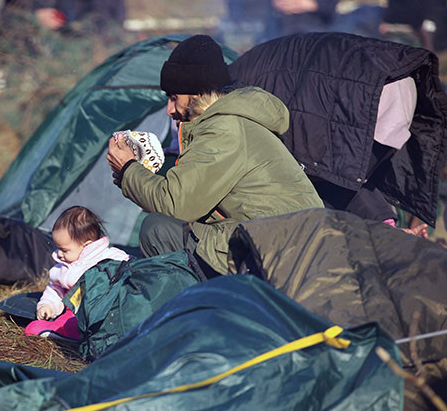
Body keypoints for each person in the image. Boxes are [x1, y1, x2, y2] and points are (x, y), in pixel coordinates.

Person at [107, 34, 324, 277]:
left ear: (197, 93)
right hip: (284, 246)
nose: (169, 110)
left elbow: (175, 205)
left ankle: (193, 313)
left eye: (173, 98)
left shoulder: (224, 130)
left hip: (282, 256)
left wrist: (128, 169)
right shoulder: (232, 123)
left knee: (158, 230)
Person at [25, 206, 130, 340]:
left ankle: (75, 333)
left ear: (86, 245)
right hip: (74, 312)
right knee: (36, 327)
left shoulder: (109, 256)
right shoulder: (61, 269)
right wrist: (48, 306)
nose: (59, 254)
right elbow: (55, 290)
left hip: (105, 310)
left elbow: (128, 265)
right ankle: (67, 332)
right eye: (58, 248)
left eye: (64, 250)